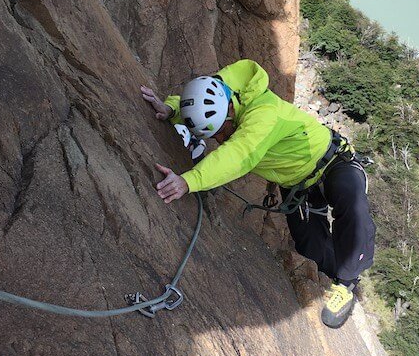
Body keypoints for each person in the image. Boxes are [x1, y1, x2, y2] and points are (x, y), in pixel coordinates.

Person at [140, 59, 375, 328]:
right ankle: (343, 274)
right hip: (299, 183)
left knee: (351, 204)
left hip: (333, 162)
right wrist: (172, 109)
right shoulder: (221, 90)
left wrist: (188, 182)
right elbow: (200, 102)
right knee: (309, 243)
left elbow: (239, 155)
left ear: (230, 112)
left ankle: (346, 282)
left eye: (221, 132)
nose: (220, 140)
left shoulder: (263, 116)